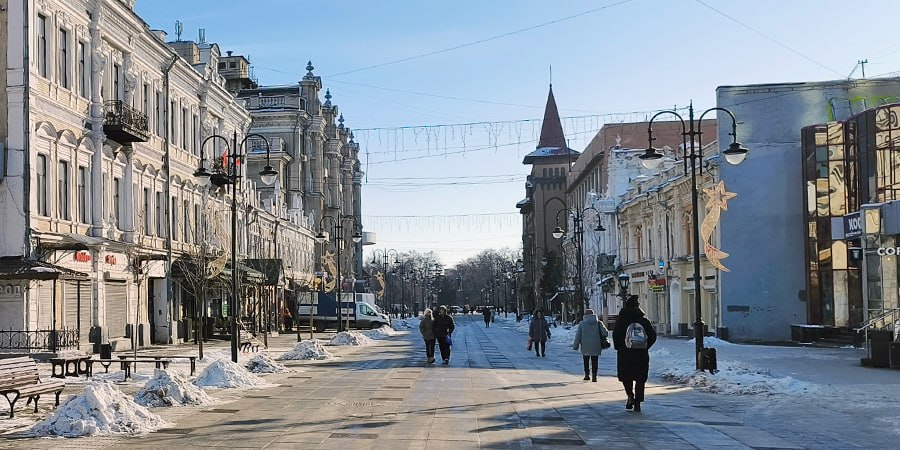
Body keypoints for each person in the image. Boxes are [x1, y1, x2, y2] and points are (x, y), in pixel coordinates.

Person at [613, 295, 657, 412]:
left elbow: (616, 336)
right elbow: (653, 336)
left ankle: (630, 395)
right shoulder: (644, 321)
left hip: (625, 354)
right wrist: (645, 346)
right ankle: (638, 402)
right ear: (638, 306)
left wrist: (619, 347)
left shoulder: (621, 321)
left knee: (626, 377)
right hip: (641, 355)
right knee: (640, 378)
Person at [572, 309, 608, 382]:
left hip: (585, 346)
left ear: (585, 315)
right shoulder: (598, 323)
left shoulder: (582, 324)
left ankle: (587, 375)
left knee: (586, 361)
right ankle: (594, 376)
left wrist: (575, 346)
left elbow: (578, 336)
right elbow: (605, 333)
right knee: (595, 361)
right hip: (596, 345)